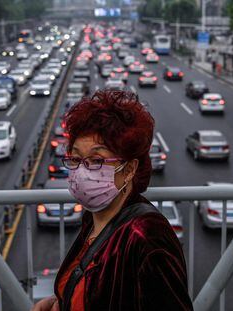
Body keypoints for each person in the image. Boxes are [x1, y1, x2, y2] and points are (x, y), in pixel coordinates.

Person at [32, 90, 193, 311]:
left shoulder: (147, 236)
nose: (82, 171)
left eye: (96, 160)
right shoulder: (94, 219)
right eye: (76, 158)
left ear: (129, 170)